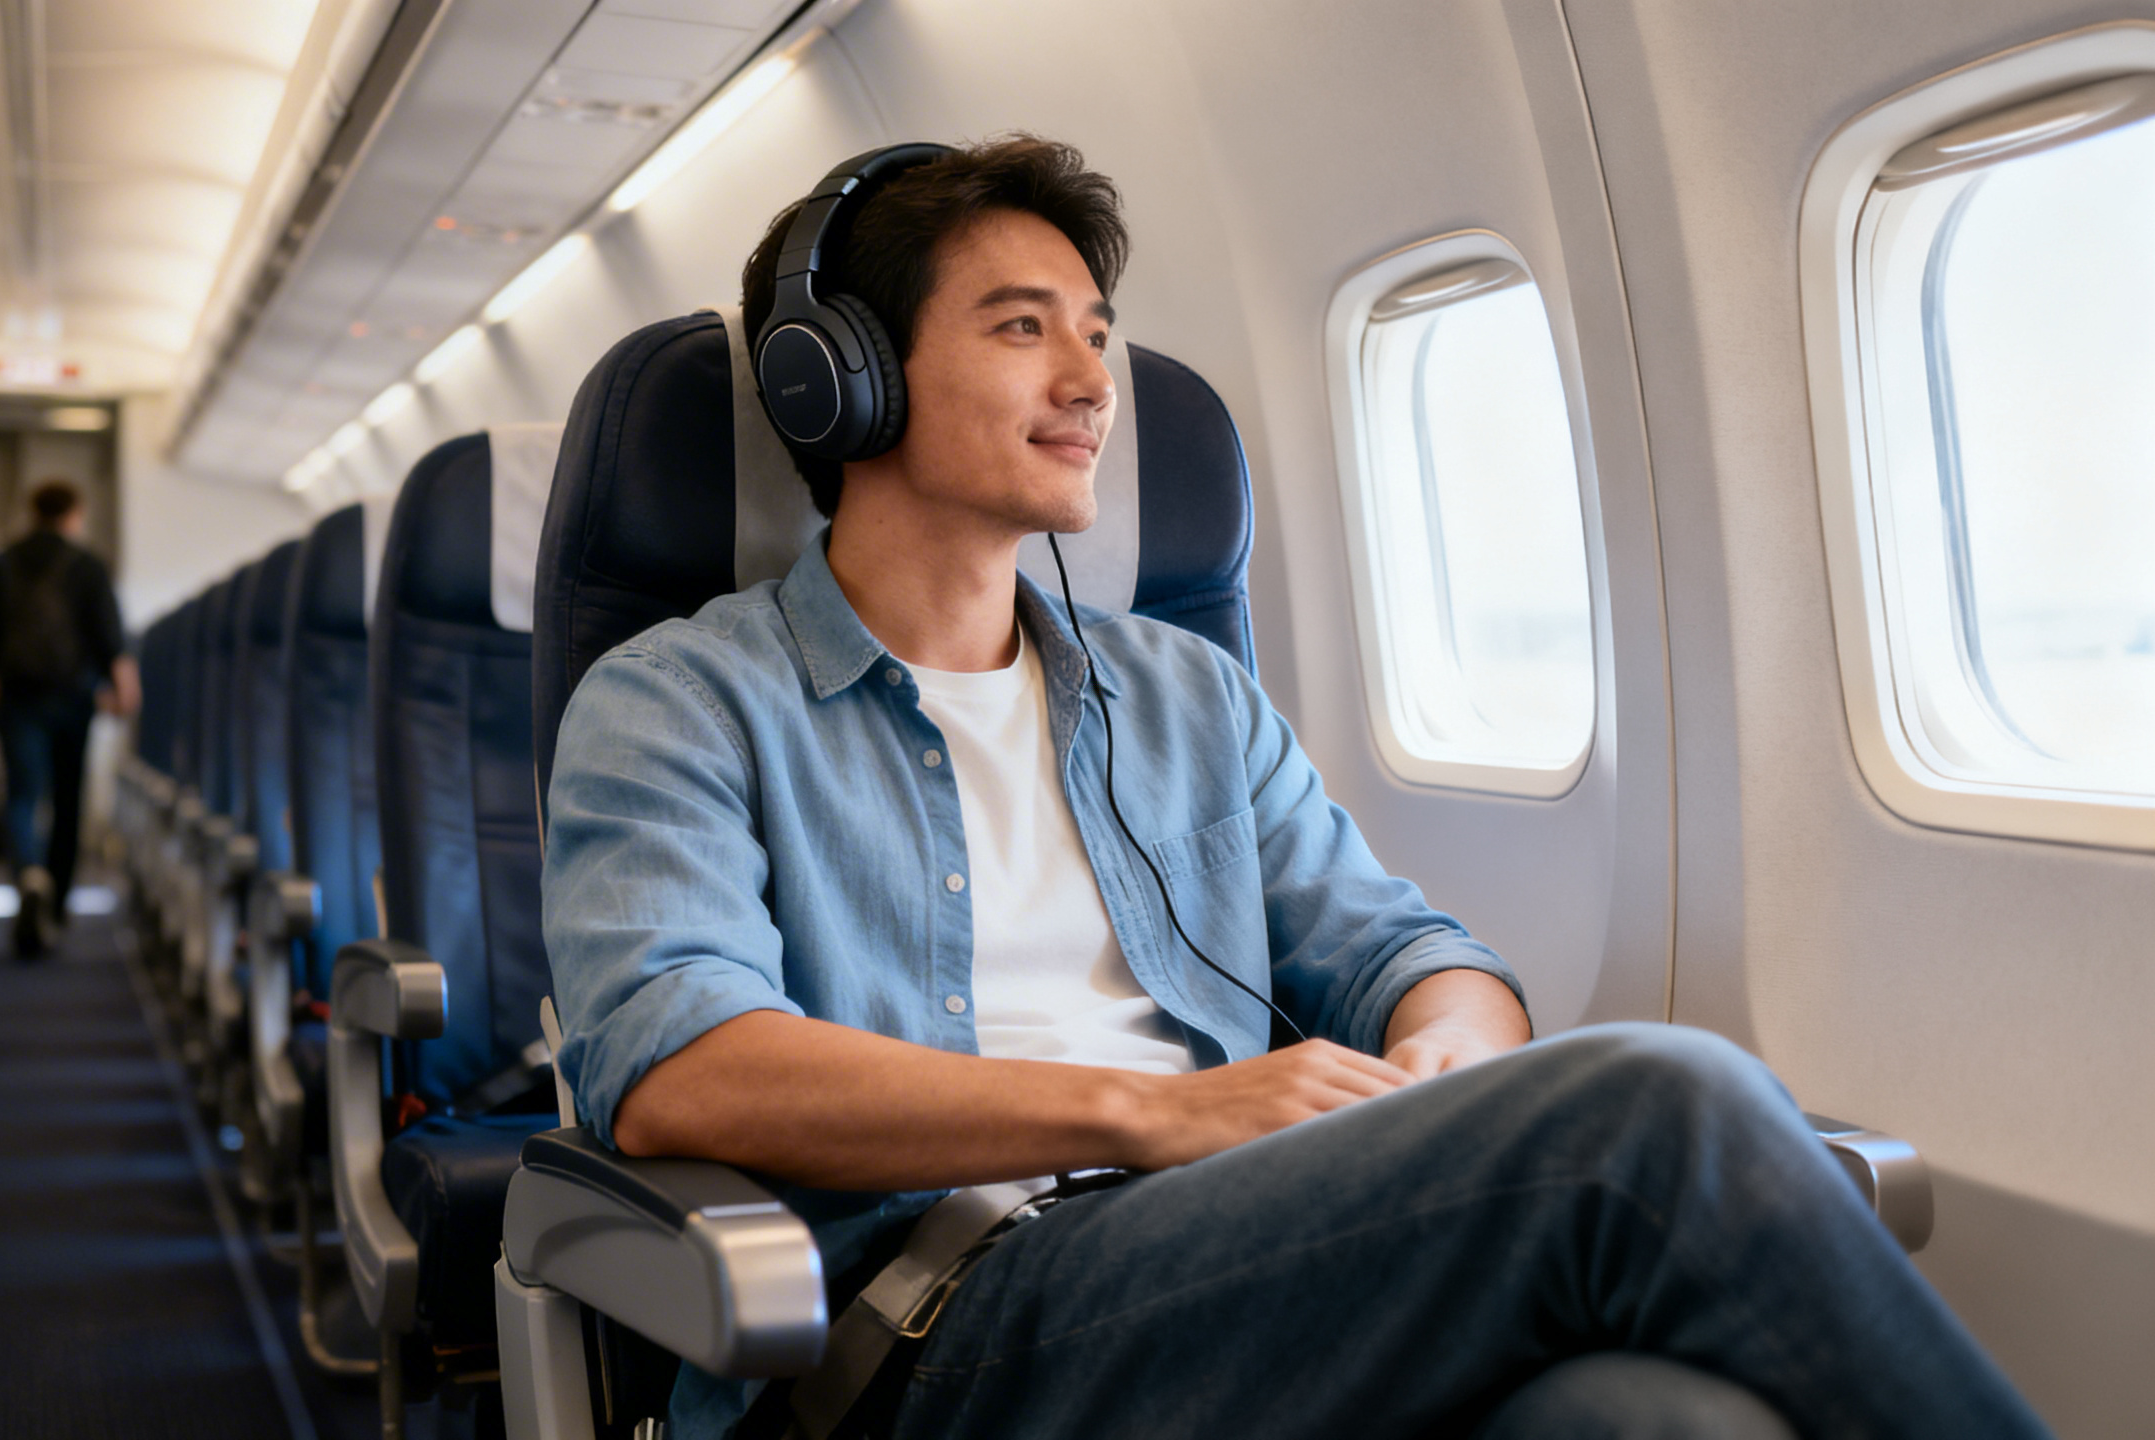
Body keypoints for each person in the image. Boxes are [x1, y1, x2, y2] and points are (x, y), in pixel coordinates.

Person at [539, 138, 2050, 1439]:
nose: (1089, 381)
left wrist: (1439, 1079)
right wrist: (1158, 1111)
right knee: (1655, 1105)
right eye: (1021, 329)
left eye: (1098, 332)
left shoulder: (1179, 693)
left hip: (1212, 1268)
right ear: (841, 383)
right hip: (918, 1336)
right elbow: (688, 1069)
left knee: (1656, 1422)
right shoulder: (681, 702)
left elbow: (1412, 954)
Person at [0, 479, 133, 956]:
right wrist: (121, 690)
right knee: (67, 799)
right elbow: (110, 636)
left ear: (33, 512)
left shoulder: (0, 563)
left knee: (22, 794)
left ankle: (28, 879)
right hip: (75, 699)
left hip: (19, 696)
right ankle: (56, 902)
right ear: (73, 513)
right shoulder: (88, 566)